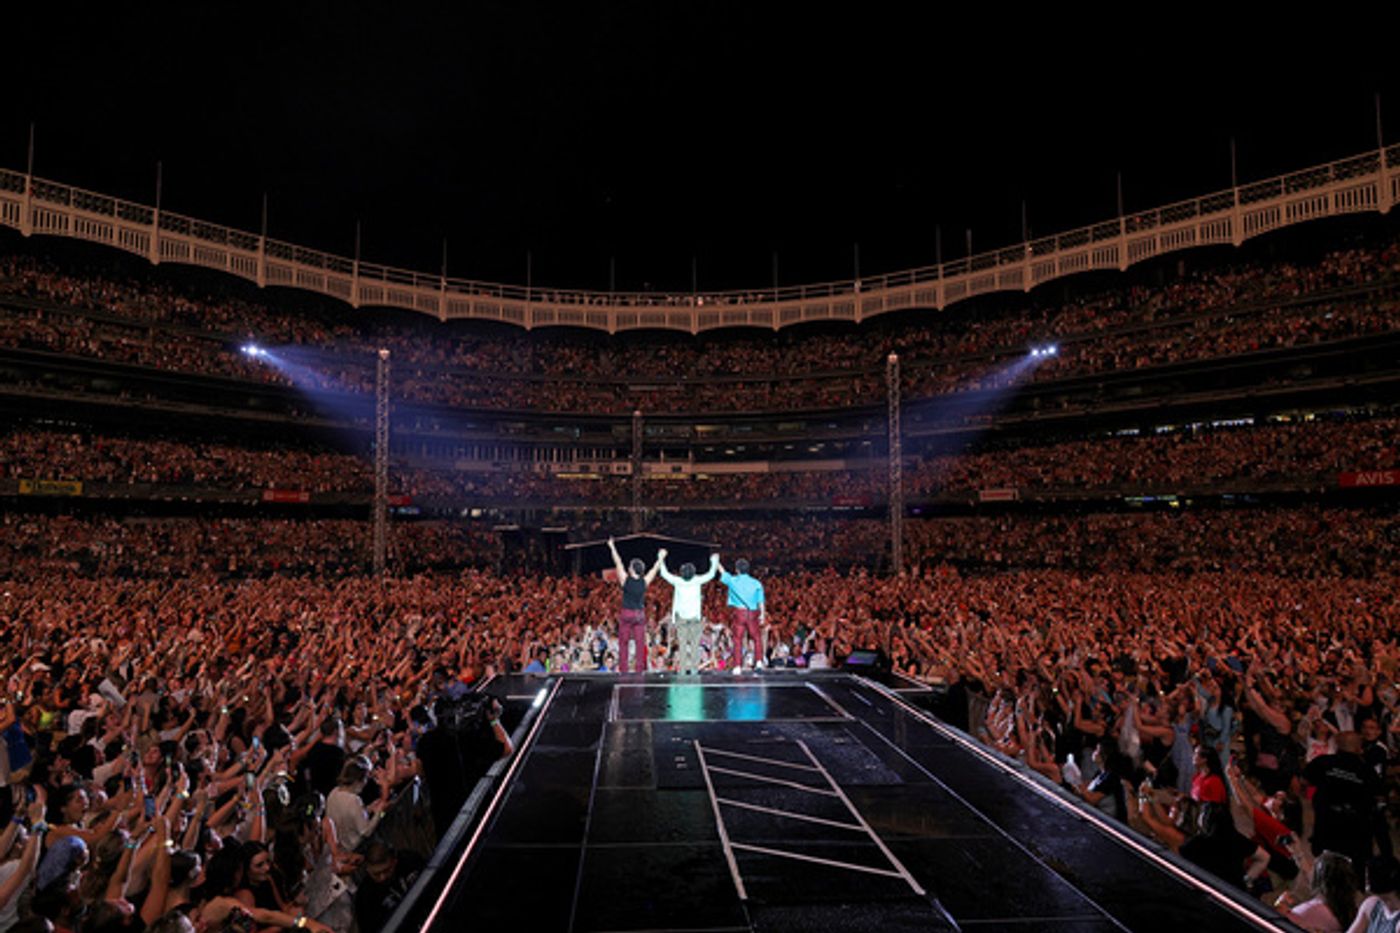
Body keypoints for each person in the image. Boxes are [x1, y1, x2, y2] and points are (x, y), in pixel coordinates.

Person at [606, 537, 663, 674]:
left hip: (627, 614)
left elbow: (618, 562)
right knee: (639, 643)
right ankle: (639, 670)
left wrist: (612, 546)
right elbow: (654, 570)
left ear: (632, 570)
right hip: (639, 614)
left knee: (623, 643)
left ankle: (624, 669)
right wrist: (660, 558)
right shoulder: (644, 582)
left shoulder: (625, 580)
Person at [658, 552, 720, 675]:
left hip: (681, 619)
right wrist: (714, 561)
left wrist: (660, 558)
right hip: (694, 619)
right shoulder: (697, 580)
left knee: (682, 644)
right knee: (695, 645)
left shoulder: (678, 581)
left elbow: (664, 574)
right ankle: (694, 670)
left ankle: (682, 670)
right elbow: (711, 574)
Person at [718, 558, 765, 672]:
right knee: (757, 638)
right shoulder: (756, 583)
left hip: (739, 613)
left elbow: (723, 572)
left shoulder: (733, 581)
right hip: (753, 613)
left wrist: (717, 562)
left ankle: (737, 666)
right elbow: (761, 601)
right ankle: (759, 662)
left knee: (737, 639)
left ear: (737, 570)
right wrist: (762, 615)